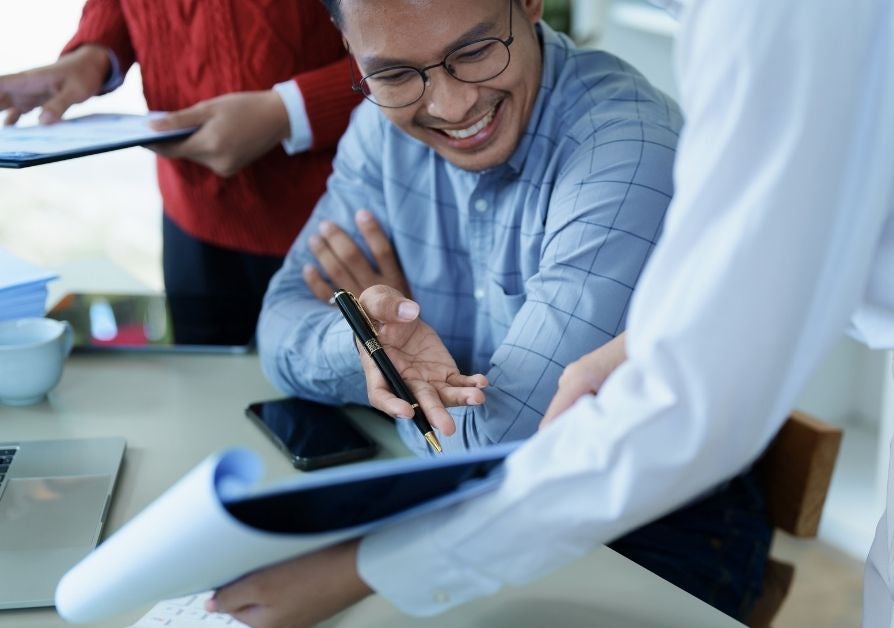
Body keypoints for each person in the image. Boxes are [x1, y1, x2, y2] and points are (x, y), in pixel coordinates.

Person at [209, 0, 894, 627]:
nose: (450, 93)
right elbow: (845, 213)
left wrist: (368, 567)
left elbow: (687, 407)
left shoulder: (751, 34)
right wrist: (662, 334)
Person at [254, 0, 769, 620]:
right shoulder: (379, 127)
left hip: (649, 528)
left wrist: (398, 375)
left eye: (473, 51)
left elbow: (497, 452)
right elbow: (278, 323)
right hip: (462, 507)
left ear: (530, 3)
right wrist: (371, 346)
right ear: (348, 47)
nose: (449, 105)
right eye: (394, 75)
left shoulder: (628, 150)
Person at [0, 1, 361, 345]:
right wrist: (95, 53)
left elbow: (406, 48)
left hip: (338, 219)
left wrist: (289, 111)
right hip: (191, 216)